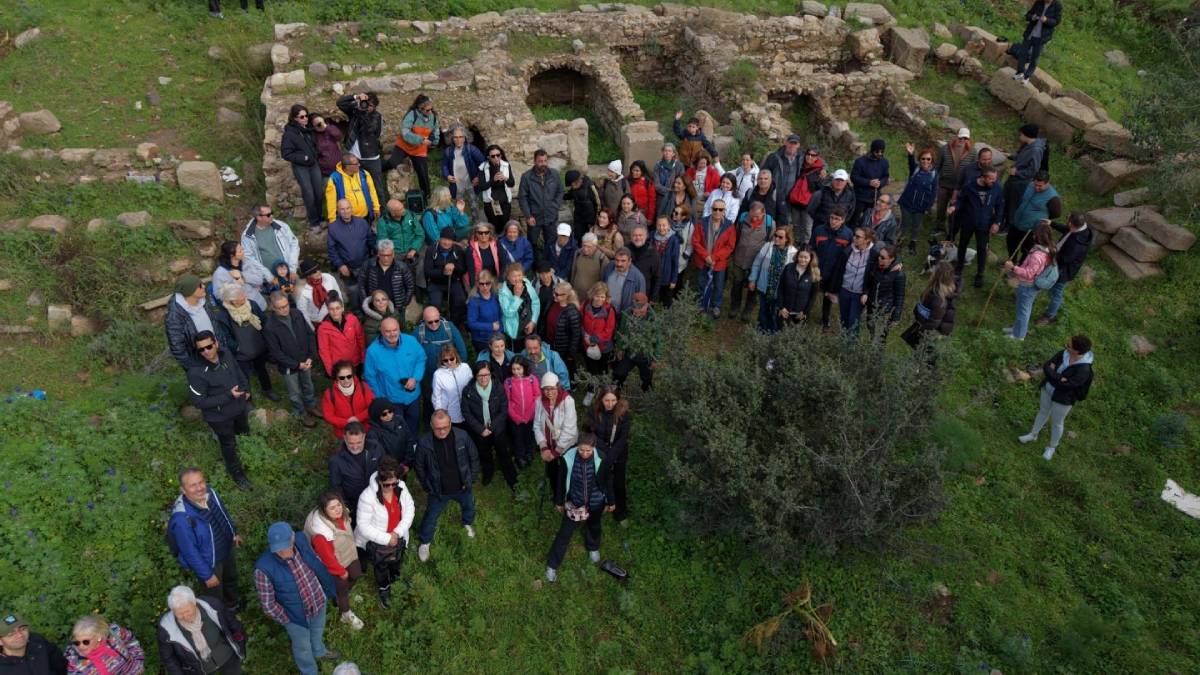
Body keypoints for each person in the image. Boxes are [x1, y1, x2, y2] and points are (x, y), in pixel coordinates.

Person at [254, 522, 340, 675]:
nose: (282, 552)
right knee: (302, 647)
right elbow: (268, 604)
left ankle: (319, 651)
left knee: (318, 630)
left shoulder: (301, 540)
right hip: (295, 617)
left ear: (293, 537)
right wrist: (287, 619)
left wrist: (326, 589)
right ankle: (309, 671)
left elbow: (316, 562)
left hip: (318, 600)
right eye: (277, 548)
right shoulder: (263, 568)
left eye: (285, 546)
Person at [169, 468, 244, 611]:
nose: (199, 488)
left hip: (226, 548)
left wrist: (233, 533)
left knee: (231, 578)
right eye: (193, 485)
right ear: (183, 489)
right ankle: (220, 616)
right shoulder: (182, 519)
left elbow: (222, 513)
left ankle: (233, 605)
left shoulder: (210, 493)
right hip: (209, 561)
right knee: (215, 593)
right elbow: (189, 551)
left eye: (201, 482)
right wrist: (207, 575)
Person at [544, 433, 614, 583]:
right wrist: (559, 501)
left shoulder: (602, 458)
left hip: (596, 502)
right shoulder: (567, 458)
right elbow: (561, 481)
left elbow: (608, 480)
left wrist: (611, 501)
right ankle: (552, 566)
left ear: (593, 448)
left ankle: (593, 548)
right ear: (577, 447)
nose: (584, 453)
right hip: (575, 503)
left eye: (588, 451)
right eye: (581, 450)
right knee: (564, 534)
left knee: (594, 527)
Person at [186, 331, 253, 486]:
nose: (206, 351)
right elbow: (198, 402)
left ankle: (248, 453)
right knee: (228, 443)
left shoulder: (226, 354)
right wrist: (229, 395)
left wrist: (246, 388)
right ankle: (237, 473)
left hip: (239, 406)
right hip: (219, 417)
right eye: (201, 349)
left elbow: (237, 371)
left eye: (209, 346)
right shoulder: (195, 372)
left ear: (216, 343)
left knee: (244, 431)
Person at [413, 410, 481, 562]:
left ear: (450, 423)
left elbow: (474, 458)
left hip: (462, 487)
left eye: (445, 427)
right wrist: (427, 486)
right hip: (438, 491)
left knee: (469, 506)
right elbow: (419, 467)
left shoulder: (462, 436)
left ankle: (467, 523)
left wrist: (471, 479)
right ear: (431, 426)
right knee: (430, 517)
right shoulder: (424, 442)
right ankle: (425, 542)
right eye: (438, 428)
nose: (442, 431)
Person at [1019, 334, 1093, 461]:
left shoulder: (1084, 370)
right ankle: (1033, 434)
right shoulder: (1064, 353)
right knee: (1043, 412)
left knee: (1057, 423)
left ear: (1077, 351)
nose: (1065, 346)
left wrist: (1052, 374)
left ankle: (1052, 447)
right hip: (1048, 390)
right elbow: (1047, 366)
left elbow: (1068, 385)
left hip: (1063, 399)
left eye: (1068, 345)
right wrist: (1059, 378)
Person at [354, 457, 414, 609]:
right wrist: (387, 538)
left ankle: (396, 578)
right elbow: (363, 526)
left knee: (397, 559)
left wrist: (398, 532)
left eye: (394, 483)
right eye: (387, 484)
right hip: (377, 540)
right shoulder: (367, 497)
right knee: (381, 566)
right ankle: (384, 589)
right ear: (379, 480)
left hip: (398, 536)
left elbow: (410, 510)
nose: (391, 487)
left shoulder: (401, 487)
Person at [303, 493, 364, 628]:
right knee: (341, 588)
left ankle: (344, 597)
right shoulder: (321, 535)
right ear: (324, 511)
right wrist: (340, 572)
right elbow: (328, 558)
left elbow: (346, 517)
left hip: (349, 553)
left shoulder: (341, 513)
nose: (338, 509)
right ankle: (345, 614)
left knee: (356, 574)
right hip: (337, 563)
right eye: (332, 508)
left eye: (338, 505)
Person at [156, 586, 246, 674]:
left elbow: (234, 625)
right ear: (173, 611)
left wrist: (240, 645)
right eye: (180, 614)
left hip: (227, 657)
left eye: (188, 611)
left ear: (194, 602)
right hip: (198, 670)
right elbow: (169, 658)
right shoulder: (166, 628)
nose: (185, 616)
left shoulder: (212, 605)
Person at [264, 292, 321, 428]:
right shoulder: (270, 327)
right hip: (289, 366)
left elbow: (309, 334)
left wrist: (310, 356)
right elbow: (276, 353)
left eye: (286, 305)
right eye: (280, 307)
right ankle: (300, 413)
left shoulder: (297, 314)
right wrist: (296, 364)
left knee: (308, 385)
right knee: (294, 392)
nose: (285, 309)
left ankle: (311, 406)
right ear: (273, 308)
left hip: (305, 361)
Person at [214, 284, 278, 401]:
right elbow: (225, 337)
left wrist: (266, 340)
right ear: (232, 301)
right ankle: (247, 398)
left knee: (262, 370)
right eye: (241, 296)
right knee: (243, 377)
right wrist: (238, 348)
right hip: (241, 354)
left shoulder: (251, 305)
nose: (245, 296)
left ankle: (268, 390)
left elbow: (264, 322)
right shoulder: (223, 316)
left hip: (258, 347)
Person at [365, 317, 426, 435]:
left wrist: (416, 378)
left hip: (413, 395)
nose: (392, 334)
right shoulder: (373, 351)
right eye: (388, 331)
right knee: (397, 428)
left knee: (414, 422)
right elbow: (370, 376)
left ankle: (413, 445)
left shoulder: (411, 341)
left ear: (399, 329)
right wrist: (381, 399)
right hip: (391, 399)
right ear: (381, 332)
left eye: (395, 330)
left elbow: (421, 359)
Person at [462, 360, 516, 492]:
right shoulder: (468, 390)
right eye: (480, 375)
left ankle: (511, 478)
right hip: (479, 430)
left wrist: (491, 428)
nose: (484, 378)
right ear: (475, 376)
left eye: (487, 374)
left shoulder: (498, 387)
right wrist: (481, 429)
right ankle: (488, 472)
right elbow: (466, 413)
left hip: (497, 428)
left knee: (503, 452)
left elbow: (504, 409)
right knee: (484, 453)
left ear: (491, 374)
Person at [948, 165, 1004, 288]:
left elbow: (1000, 206)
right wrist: (954, 207)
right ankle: (959, 267)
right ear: (983, 177)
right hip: (968, 222)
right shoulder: (969, 186)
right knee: (962, 244)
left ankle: (980, 274)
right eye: (991, 179)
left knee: (982, 249)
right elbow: (961, 200)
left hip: (984, 224)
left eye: (995, 178)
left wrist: (997, 222)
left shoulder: (997, 188)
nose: (994, 181)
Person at [1003, 222, 1056, 341]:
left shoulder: (1038, 256)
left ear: (1038, 236)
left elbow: (1028, 274)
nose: (1032, 236)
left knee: (1023, 311)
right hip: (1030, 286)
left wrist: (1012, 267)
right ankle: (1017, 329)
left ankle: (1019, 335)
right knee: (1022, 308)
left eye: (1034, 234)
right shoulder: (1047, 248)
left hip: (1027, 286)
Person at [1037, 212, 1093, 326]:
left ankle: (1049, 316)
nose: (1066, 221)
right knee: (1047, 285)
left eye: (1068, 220)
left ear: (1072, 224)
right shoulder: (1080, 228)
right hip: (1059, 263)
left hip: (1063, 271)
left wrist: (1050, 252)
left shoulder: (1077, 244)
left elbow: (1065, 259)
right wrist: (1052, 223)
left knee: (1056, 292)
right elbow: (1066, 230)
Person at [166, 274, 228, 371]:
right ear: (189, 291)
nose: (204, 286)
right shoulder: (175, 315)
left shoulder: (204, 301)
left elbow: (216, 325)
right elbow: (178, 347)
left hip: (219, 351)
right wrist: (195, 368)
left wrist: (223, 347)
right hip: (201, 361)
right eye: (199, 285)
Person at [589, 386, 631, 524]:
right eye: (607, 400)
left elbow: (623, 437)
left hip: (618, 453)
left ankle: (621, 512)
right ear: (601, 399)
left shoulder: (623, 414)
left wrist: (612, 455)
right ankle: (601, 505)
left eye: (613, 400)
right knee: (600, 479)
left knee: (618, 482)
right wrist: (605, 453)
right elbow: (591, 433)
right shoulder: (594, 412)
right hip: (600, 451)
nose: (610, 404)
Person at [728, 201, 775, 323]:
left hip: (756, 262)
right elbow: (736, 235)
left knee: (752, 286)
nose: (754, 218)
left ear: (763, 213)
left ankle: (748, 309)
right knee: (737, 283)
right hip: (739, 258)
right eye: (752, 215)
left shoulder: (770, 224)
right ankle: (735, 306)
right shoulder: (743, 218)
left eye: (757, 216)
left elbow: (770, 243)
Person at [387, 94, 440, 199]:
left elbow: (436, 132)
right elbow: (405, 131)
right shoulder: (412, 115)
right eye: (427, 110)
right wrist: (420, 139)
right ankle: (380, 166)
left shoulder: (433, 117)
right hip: (404, 145)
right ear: (420, 109)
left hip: (419, 148)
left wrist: (433, 141)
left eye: (431, 109)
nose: (430, 112)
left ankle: (426, 197)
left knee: (423, 173)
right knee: (392, 162)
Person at [327, 198, 377, 312]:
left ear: (351, 208)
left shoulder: (362, 222)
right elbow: (332, 249)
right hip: (348, 268)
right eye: (342, 209)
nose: (346, 211)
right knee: (354, 293)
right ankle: (358, 315)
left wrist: (377, 256)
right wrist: (340, 265)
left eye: (348, 208)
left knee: (370, 288)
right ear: (338, 211)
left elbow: (371, 241)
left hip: (365, 264)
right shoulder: (333, 227)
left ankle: (372, 311)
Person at [827, 227, 879, 333]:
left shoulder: (874, 254)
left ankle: (851, 346)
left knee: (853, 321)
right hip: (844, 290)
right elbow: (837, 270)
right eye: (854, 235)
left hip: (859, 294)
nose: (854, 238)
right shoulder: (847, 250)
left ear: (867, 240)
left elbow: (890, 256)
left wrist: (867, 292)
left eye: (858, 237)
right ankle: (844, 344)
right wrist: (832, 290)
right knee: (844, 319)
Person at [534, 372, 578, 495]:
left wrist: (556, 452)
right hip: (549, 445)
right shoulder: (539, 402)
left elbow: (570, 430)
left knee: (567, 470)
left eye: (552, 388)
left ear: (558, 387)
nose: (549, 392)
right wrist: (543, 447)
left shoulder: (568, 401)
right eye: (545, 389)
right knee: (552, 471)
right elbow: (537, 425)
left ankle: (569, 495)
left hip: (567, 445)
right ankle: (556, 495)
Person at [281, 104, 324, 230]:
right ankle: (314, 222)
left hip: (313, 164)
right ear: (295, 118)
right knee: (309, 193)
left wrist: (315, 155)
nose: (305, 118)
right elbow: (286, 153)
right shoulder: (290, 134)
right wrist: (302, 158)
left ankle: (320, 217)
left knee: (319, 192)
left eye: (306, 116)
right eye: (302, 117)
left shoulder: (309, 129)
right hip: (301, 167)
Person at [337, 92, 385, 203]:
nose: (367, 107)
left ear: (375, 107)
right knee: (354, 185)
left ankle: (382, 212)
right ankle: (361, 210)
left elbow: (369, 130)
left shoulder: (376, 116)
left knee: (377, 186)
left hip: (370, 157)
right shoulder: (355, 110)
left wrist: (362, 113)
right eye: (366, 103)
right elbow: (340, 103)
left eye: (370, 105)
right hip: (353, 155)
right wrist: (356, 97)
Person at [691, 200, 736, 318]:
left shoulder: (729, 226)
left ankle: (716, 306)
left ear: (724, 211)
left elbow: (730, 246)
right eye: (715, 209)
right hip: (703, 260)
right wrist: (705, 256)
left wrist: (714, 257)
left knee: (718, 285)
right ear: (711, 209)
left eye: (720, 209)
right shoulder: (702, 223)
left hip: (719, 263)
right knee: (701, 282)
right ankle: (701, 304)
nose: (717, 212)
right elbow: (695, 242)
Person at [811, 206, 853, 329]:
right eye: (832, 218)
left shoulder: (848, 234)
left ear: (843, 220)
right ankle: (803, 316)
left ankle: (825, 321)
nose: (833, 221)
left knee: (828, 297)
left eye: (837, 219)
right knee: (810, 294)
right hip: (817, 270)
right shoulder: (819, 230)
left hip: (834, 272)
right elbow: (811, 248)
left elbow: (849, 254)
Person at [749, 226, 797, 333]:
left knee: (775, 313)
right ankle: (761, 331)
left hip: (780, 290)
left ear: (787, 239)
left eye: (780, 237)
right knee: (763, 310)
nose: (776, 239)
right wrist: (753, 279)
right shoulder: (767, 246)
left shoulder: (793, 253)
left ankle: (773, 334)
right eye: (775, 235)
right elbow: (757, 263)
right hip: (764, 286)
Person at [903, 261, 961, 347]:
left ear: (937, 276)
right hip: (926, 327)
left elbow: (934, 322)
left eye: (933, 271)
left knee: (922, 357)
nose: (931, 272)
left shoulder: (939, 298)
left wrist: (920, 330)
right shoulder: (933, 290)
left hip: (932, 333)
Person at [517, 149, 564, 251]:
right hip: (534, 217)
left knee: (551, 242)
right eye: (540, 161)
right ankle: (534, 264)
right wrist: (528, 215)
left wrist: (555, 206)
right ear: (534, 161)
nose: (543, 164)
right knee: (532, 243)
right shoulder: (526, 177)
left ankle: (549, 263)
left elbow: (560, 192)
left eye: (545, 161)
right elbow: (522, 197)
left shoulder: (554, 174)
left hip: (551, 216)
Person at [63, 616, 142, 674]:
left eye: (85, 642)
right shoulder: (73, 659)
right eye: (76, 642)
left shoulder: (115, 632)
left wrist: (138, 662)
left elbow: (131, 642)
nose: (80, 646)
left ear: (99, 637)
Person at [1003, 125, 1048, 230]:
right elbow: (1021, 157)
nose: (1020, 136)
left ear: (1026, 135)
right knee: (1005, 199)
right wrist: (1008, 155)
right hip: (1013, 179)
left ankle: (1008, 226)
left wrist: (1017, 172)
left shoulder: (1036, 150)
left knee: (1012, 204)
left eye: (1021, 134)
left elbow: (1033, 170)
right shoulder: (1027, 145)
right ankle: (1001, 219)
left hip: (1020, 182)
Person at [898, 143, 939, 255]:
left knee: (916, 225)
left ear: (932, 160)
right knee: (905, 223)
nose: (925, 161)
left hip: (920, 205)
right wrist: (910, 154)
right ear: (920, 160)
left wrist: (928, 206)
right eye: (923, 159)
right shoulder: (915, 169)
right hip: (907, 202)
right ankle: (901, 240)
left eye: (928, 159)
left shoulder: (934, 175)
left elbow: (934, 192)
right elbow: (911, 163)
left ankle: (913, 243)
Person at [1009, 170, 1062, 259]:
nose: (1036, 187)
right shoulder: (1030, 185)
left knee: (1027, 250)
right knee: (1010, 242)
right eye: (1035, 184)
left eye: (1040, 186)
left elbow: (1056, 214)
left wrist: (1038, 217)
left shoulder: (1053, 198)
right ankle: (1012, 262)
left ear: (1047, 183)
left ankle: (1021, 268)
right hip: (1017, 222)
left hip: (1032, 230)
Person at [612, 292, 658, 392]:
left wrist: (655, 358)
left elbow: (658, 341)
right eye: (634, 310)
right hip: (629, 353)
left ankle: (647, 393)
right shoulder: (626, 314)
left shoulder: (653, 319)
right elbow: (621, 332)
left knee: (647, 377)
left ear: (646, 306)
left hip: (645, 355)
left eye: (640, 311)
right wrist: (620, 348)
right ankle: (616, 391)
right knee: (619, 374)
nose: (636, 313)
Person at [241, 205, 300, 282]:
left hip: (289, 274)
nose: (272, 216)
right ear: (259, 217)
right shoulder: (248, 235)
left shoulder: (281, 226)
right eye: (268, 215)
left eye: (272, 213)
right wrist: (268, 276)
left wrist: (292, 269)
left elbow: (294, 244)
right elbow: (249, 258)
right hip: (267, 279)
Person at [361, 240, 415, 322]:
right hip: (375, 308)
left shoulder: (402, 267)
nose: (386, 258)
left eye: (389, 255)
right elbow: (361, 285)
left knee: (398, 330)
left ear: (393, 254)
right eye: (383, 255)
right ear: (378, 253)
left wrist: (404, 304)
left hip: (397, 308)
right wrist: (367, 303)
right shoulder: (369, 265)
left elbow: (410, 286)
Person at [933, 129, 975, 235]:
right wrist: (934, 181)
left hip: (959, 187)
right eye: (961, 137)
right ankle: (939, 227)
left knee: (954, 210)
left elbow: (972, 170)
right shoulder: (945, 149)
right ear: (956, 136)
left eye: (965, 138)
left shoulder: (973, 152)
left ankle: (951, 231)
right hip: (943, 184)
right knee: (941, 207)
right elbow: (937, 166)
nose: (962, 140)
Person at [425, 228, 469, 325]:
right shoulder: (431, 250)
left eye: (449, 240)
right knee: (435, 304)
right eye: (444, 239)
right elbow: (428, 271)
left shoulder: (458, 250)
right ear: (440, 238)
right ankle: (437, 325)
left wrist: (455, 266)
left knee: (460, 300)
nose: (446, 242)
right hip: (436, 282)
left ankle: (454, 324)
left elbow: (463, 269)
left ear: (453, 241)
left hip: (453, 281)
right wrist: (443, 272)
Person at [322, 360, 374, 439]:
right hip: (344, 433)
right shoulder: (329, 393)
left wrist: (358, 418)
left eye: (349, 376)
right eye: (342, 378)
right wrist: (346, 423)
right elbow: (328, 416)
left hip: (365, 429)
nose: (346, 380)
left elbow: (372, 407)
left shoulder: (363, 386)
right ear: (336, 377)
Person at [0, 612, 67, 673]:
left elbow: (60, 664)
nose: (20, 635)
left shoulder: (38, 642)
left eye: (23, 629)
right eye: (11, 634)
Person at [504, 356, 540, 469]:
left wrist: (531, 414)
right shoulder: (508, 382)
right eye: (514, 369)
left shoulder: (532, 379)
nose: (516, 372)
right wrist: (515, 416)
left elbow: (537, 396)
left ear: (524, 368)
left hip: (531, 416)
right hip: (515, 418)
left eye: (518, 369)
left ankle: (529, 453)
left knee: (530, 436)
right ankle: (520, 457)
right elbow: (507, 401)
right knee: (517, 437)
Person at [761, 134, 804, 228]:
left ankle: (780, 241)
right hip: (774, 195)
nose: (792, 146)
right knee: (769, 221)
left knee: (784, 224)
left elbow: (817, 159)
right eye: (790, 143)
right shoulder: (774, 157)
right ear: (785, 143)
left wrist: (823, 169)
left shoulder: (801, 158)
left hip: (790, 198)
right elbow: (763, 173)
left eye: (795, 143)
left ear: (798, 145)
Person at [213, 240, 269, 312]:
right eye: (240, 251)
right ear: (231, 255)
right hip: (242, 310)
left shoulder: (247, 262)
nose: (243, 252)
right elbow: (219, 295)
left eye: (242, 249)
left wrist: (243, 276)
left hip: (259, 303)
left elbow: (259, 280)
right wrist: (237, 282)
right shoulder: (220, 273)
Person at [1014, 0, 1062, 83]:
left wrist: (1046, 20)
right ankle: (1020, 72)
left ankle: (1026, 76)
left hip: (1042, 37)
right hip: (1030, 33)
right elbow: (1028, 15)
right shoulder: (1039, 2)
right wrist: (1032, 17)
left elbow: (1056, 21)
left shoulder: (1057, 5)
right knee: (1022, 53)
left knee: (1034, 58)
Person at [441, 124, 484, 217]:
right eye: (455, 137)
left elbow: (483, 164)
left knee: (474, 207)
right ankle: (462, 228)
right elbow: (444, 166)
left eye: (461, 137)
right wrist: (447, 175)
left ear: (465, 137)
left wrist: (478, 177)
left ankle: (476, 227)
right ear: (451, 138)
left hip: (471, 184)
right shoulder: (448, 151)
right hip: (456, 186)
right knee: (459, 209)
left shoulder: (471, 149)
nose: (458, 140)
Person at [324, 154, 379, 225]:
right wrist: (332, 220)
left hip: (367, 217)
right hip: (348, 220)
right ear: (347, 167)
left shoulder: (364, 174)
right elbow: (331, 201)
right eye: (356, 164)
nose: (359, 165)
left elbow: (372, 191)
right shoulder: (335, 179)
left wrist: (376, 207)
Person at [376, 200, 423, 282]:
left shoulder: (410, 215)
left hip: (412, 248)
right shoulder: (383, 222)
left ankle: (420, 289)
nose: (404, 210)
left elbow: (420, 234)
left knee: (421, 264)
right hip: (396, 253)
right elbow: (383, 242)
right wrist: (392, 254)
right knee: (397, 271)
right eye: (400, 210)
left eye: (403, 207)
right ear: (393, 213)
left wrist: (414, 249)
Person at [317, 296, 365, 376]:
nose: (335, 311)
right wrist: (330, 370)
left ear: (342, 308)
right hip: (339, 367)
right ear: (328, 310)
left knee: (358, 385)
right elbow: (324, 351)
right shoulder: (323, 328)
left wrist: (363, 358)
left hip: (355, 362)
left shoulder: (352, 320)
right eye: (331, 309)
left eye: (337, 308)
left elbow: (361, 339)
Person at [543, 282, 582, 380]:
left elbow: (576, 335)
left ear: (566, 295)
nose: (554, 296)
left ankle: (572, 385)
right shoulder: (552, 303)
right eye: (554, 292)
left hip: (564, 348)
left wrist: (571, 353)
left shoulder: (572, 312)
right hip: (550, 343)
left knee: (567, 368)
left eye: (557, 294)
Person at [788, 148, 827, 243]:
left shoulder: (820, 171)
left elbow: (821, 190)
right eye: (808, 154)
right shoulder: (799, 166)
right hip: (795, 202)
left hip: (809, 205)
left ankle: (804, 248)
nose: (810, 157)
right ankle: (796, 244)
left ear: (817, 157)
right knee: (796, 226)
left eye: (813, 155)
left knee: (807, 228)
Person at [866, 245, 907, 335]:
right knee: (871, 330)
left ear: (891, 259)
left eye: (883, 258)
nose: (879, 259)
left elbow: (899, 296)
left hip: (884, 311)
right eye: (879, 256)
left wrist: (895, 317)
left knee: (880, 337)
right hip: (872, 307)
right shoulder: (876, 266)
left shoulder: (899, 274)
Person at [580, 282, 617, 382]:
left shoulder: (609, 310)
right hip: (587, 344)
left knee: (603, 369)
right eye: (597, 296)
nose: (600, 299)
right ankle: (592, 388)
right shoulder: (585, 305)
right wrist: (585, 335)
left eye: (602, 297)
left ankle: (603, 389)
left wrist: (594, 338)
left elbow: (609, 330)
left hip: (603, 347)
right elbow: (580, 323)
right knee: (591, 368)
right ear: (592, 295)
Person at [476, 145, 515, 232]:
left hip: (504, 202)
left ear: (501, 155)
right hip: (491, 203)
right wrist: (493, 180)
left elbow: (512, 184)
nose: (496, 158)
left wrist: (505, 178)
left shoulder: (506, 165)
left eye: (498, 155)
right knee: (493, 227)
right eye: (493, 156)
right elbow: (482, 187)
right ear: (488, 157)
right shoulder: (483, 167)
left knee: (505, 226)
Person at [498, 262, 540, 344]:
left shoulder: (526, 283)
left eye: (519, 275)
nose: (517, 279)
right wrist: (517, 297)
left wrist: (533, 321)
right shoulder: (503, 292)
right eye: (514, 276)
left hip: (530, 326)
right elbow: (508, 313)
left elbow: (535, 302)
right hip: (515, 331)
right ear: (508, 277)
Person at [778, 248, 820, 328]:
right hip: (785, 312)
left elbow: (813, 296)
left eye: (806, 257)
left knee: (796, 338)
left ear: (810, 258)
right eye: (801, 256)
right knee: (780, 335)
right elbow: (780, 288)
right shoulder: (788, 268)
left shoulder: (814, 273)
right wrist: (781, 307)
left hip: (800, 315)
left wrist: (805, 312)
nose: (803, 259)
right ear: (797, 256)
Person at [431, 345, 472, 426]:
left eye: (451, 359)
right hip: (450, 414)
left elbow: (472, 386)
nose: (449, 362)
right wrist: (440, 413)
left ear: (456, 356)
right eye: (445, 360)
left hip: (469, 411)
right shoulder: (438, 374)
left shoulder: (465, 368)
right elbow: (436, 397)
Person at [368, 398, 415, 468]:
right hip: (388, 469)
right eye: (384, 414)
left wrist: (407, 463)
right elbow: (378, 454)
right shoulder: (373, 433)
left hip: (404, 464)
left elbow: (409, 440)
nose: (388, 415)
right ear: (376, 415)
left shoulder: (400, 420)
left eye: (390, 411)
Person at [295, 260, 343, 327]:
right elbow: (303, 313)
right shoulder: (302, 291)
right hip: (318, 322)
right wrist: (312, 330)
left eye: (318, 268)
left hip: (335, 315)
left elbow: (339, 295)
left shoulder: (328, 278)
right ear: (308, 275)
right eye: (314, 271)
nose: (318, 272)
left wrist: (341, 313)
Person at [851, 139, 890, 219]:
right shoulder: (860, 161)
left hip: (874, 197)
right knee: (854, 219)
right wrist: (868, 182)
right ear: (872, 150)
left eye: (882, 152)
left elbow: (886, 176)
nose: (879, 154)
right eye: (877, 152)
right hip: (860, 197)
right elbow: (854, 177)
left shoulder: (884, 162)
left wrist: (880, 183)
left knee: (869, 219)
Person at [465, 269, 502, 352]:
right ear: (477, 284)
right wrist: (491, 326)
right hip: (482, 340)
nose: (485, 286)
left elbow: (501, 316)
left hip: (498, 338)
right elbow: (471, 323)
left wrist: (500, 331)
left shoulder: (496, 296)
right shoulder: (474, 301)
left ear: (491, 283)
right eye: (482, 284)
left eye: (487, 283)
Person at [602, 247, 647, 315]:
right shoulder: (610, 266)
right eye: (617, 260)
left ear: (629, 261)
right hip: (607, 311)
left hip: (624, 315)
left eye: (623, 261)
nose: (619, 264)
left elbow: (640, 302)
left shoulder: (638, 278)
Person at [651, 216, 681, 306]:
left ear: (669, 226)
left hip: (666, 276)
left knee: (666, 300)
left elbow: (675, 262)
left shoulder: (673, 240)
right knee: (654, 297)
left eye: (664, 225)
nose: (661, 228)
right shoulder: (652, 236)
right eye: (659, 225)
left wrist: (674, 280)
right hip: (654, 275)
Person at [564, 169, 601, 241]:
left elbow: (598, 203)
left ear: (577, 181)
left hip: (590, 220)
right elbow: (569, 195)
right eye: (571, 185)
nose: (572, 187)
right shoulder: (574, 188)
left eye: (573, 184)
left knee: (589, 239)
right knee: (578, 238)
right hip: (579, 218)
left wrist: (595, 221)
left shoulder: (590, 187)